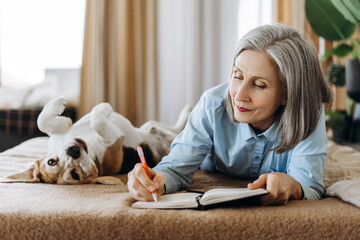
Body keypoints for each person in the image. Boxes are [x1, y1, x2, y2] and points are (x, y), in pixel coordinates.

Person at [127, 23, 334, 205]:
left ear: (288, 94)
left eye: (259, 85)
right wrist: (156, 182)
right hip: (204, 142)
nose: (239, 95)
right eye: (237, 76)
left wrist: (292, 186)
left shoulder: (307, 112)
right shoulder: (212, 105)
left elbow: (310, 188)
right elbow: (174, 169)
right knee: (161, 137)